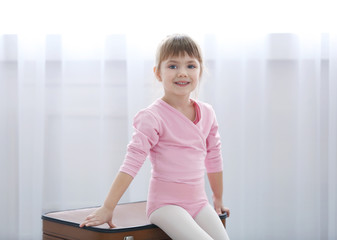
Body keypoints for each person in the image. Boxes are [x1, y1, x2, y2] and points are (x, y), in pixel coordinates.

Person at [80, 34, 230, 240]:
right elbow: (131, 163)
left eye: (191, 66)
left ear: (200, 71)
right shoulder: (152, 117)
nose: (182, 73)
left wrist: (218, 198)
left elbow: (214, 157)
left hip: (199, 203)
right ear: (158, 73)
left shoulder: (208, 113)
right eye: (173, 66)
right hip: (165, 205)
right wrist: (107, 207)